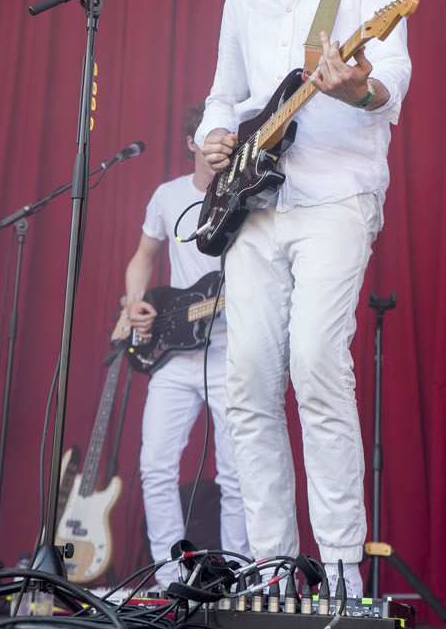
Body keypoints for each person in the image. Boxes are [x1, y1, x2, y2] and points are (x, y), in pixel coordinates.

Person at [194, 0, 412, 596]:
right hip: (252, 206)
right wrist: (213, 137)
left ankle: (344, 572)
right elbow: (225, 94)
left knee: (317, 365)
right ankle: (271, 569)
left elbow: (390, 76)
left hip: (334, 197)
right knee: (247, 385)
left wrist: (354, 86)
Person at [125, 103, 250, 590]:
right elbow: (143, 257)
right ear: (191, 142)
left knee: (236, 475)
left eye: (227, 136)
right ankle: (168, 579)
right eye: (210, 135)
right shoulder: (167, 196)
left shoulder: (245, 194)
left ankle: (240, 580)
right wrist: (135, 304)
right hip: (173, 354)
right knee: (155, 468)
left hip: (228, 352)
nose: (219, 143)